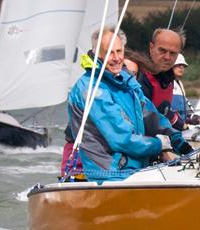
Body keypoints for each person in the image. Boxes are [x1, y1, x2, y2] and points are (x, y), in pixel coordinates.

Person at [66, 26, 193, 183]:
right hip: (108, 176)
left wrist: (178, 142)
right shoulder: (92, 89)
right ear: (97, 53)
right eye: (109, 52)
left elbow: (151, 116)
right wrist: (160, 144)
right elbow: (121, 139)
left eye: (119, 51)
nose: (116, 58)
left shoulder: (126, 83)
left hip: (133, 172)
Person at [138, 28, 187, 131]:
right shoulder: (139, 77)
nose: (167, 57)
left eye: (173, 53)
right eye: (162, 51)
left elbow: (165, 111)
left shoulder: (169, 79)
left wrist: (183, 126)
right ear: (151, 48)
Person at [171, 53, 200, 126]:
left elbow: (182, 111)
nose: (181, 67)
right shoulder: (167, 83)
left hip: (179, 128)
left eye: (183, 66)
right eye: (178, 65)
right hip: (170, 129)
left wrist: (191, 118)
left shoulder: (180, 84)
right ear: (171, 66)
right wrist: (181, 124)